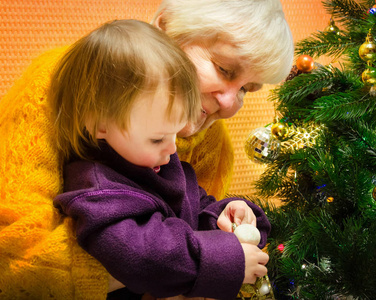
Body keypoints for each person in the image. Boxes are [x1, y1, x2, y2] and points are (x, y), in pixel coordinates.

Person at [0, 0, 293, 299]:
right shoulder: (61, 90)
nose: (230, 103)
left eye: (247, 89)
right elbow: (15, 258)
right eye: (224, 68)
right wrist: (208, 262)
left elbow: (194, 220)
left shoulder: (212, 143)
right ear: (166, 28)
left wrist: (230, 219)